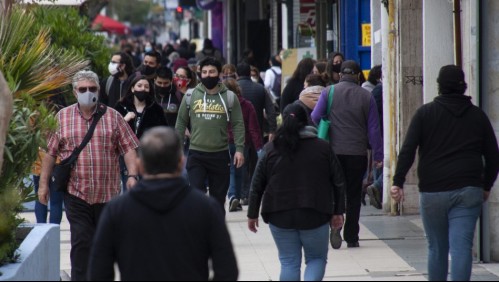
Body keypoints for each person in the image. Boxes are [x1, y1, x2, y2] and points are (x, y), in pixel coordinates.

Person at [391, 65, 499, 281]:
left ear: (439, 86)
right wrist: (486, 185)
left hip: (433, 190)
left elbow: (408, 149)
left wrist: (398, 181)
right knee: (461, 247)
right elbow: (493, 155)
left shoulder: (424, 113)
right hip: (469, 188)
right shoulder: (477, 116)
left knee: (437, 248)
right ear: (463, 85)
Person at [87, 127, 238, 281]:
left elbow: (98, 272)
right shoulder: (206, 208)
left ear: (140, 165)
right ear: (181, 162)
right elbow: (227, 270)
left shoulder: (117, 210)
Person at [38, 70, 139, 281]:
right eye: (82, 89)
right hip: (76, 194)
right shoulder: (61, 117)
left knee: (104, 245)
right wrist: (43, 185)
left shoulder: (113, 117)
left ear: (99, 91)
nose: (87, 93)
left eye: (92, 89)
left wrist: (132, 176)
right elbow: (50, 153)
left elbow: (129, 148)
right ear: (74, 92)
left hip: (107, 195)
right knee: (81, 242)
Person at [247, 103, 346, 281]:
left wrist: (252, 214)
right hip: (315, 212)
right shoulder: (323, 148)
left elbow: (257, 184)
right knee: (316, 259)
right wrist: (338, 211)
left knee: (288, 262)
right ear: (306, 121)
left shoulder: (270, 149)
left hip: (279, 213)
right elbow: (338, 181)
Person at [311, 60, 383, 249]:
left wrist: (328, 124)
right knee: (353, 194)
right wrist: (378, 156)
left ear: (340, 74)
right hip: (357, 153)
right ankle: (352, 236)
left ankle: (335, 225)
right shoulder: (366, 96)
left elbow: (315, 116)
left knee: (336, 192)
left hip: (333, 152)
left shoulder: (329, 92)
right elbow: (374, 129)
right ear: (359, 76)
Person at [175, 57, 245, 212]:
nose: (208, 75)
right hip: (196, 154)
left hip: (220, 155)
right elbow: (180, 123)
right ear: (200, 74)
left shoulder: (229, 97)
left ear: (219, 74)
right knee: (195, 196)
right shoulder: (190, 95)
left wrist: (239, 149)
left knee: (218, 201)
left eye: (212, 72)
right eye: (204, 72)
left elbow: (238, 124)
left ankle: (216, 233)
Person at [223, 78, 263, 212]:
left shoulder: (220, 105)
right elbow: (253, 128)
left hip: (225, 142)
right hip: (243, 143)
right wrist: (258, 147)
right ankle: (237, 198)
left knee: (231, 170)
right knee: (240, 170)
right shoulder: (247, 105)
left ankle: (233, 196)